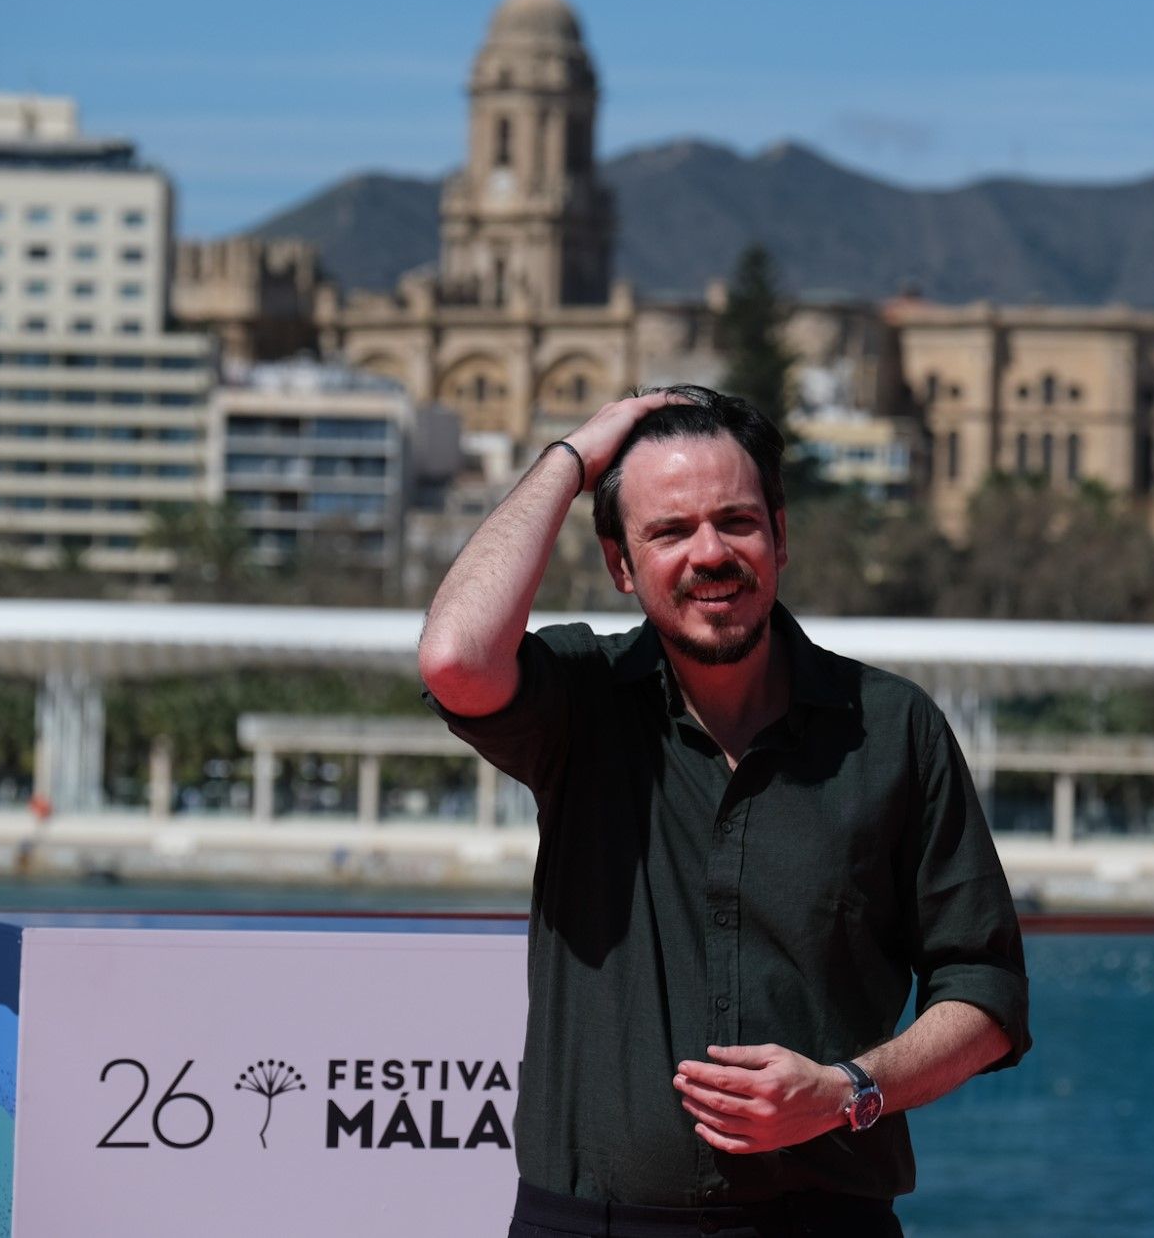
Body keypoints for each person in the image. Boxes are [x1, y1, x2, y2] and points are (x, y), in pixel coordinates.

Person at [418, 385, 1030, 1238]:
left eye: (736, 521)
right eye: (669, 531)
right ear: (621, 564)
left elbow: (987, 992)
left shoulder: (892, 728)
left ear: (780, 535)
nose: (710, 552)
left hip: (822, 1224)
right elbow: (453, 657)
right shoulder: (581, 701)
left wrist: (847, 1092)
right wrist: (572, 458)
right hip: (585, 1224)